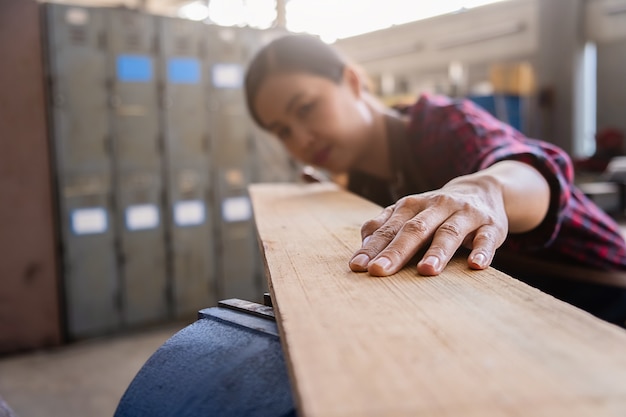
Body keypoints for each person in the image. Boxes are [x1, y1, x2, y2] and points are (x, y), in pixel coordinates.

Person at [244, 33, 626, 327]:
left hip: (607, 298)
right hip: (532, 319)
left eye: (306, 108)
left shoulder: (445, 125)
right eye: (283, 131)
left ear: (352, 81)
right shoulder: (361, 180)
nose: (302, 139)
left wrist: (484, 189)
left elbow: (530, 171)